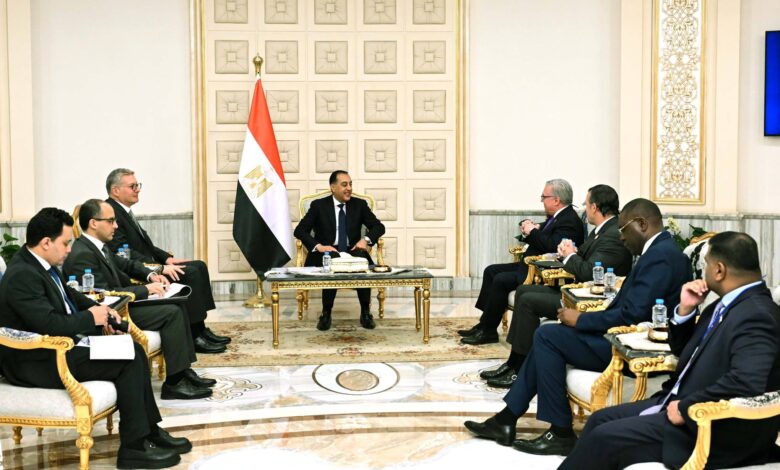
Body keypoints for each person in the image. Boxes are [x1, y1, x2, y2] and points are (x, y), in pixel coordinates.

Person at [464, 198, 691, 455]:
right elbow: (629, 308)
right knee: (547, 334)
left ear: (641, 224)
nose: (621, 237)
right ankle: (507, 420)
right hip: (623, 337)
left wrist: (581, 320)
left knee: (547, 336)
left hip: (630, 348)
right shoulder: (660, 251)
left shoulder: (661, 256)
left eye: (623, 230)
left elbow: (631, 315)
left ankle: (557, 431)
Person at [560, 232, 780, 469]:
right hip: (677, 403)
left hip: (711, 428)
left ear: (719, 270)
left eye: (705, 264)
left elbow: (746, 382)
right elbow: (684, 351)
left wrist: (686, 408)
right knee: (599, 419)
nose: (703, 271)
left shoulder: (757, 315)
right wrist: (685, 310)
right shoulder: (726, 303)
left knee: (605, 438)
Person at [0, 208, 189, 469]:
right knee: (129, 358)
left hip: (57, 349)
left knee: (132, 349)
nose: (69, 249)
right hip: (36, 360)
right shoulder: (22, 274)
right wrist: (92, 318)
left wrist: (103, 312)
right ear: (46, 243)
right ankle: (133, 448)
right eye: (65, 243)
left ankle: (150, 432)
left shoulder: (41, 263)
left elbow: (71, 297)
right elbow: (49, 324)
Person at [63, 198, 219, 399]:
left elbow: (127, 265)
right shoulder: (82, 254)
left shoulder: (98, 246)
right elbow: (104, 295)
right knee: (171, 313)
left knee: (178, 304)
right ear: (94, 223)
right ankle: (174, 383)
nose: (116, 226)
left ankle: (183, 372)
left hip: (124, 302)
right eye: (110, 221)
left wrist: (151, 275)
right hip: (115, 311)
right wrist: (145, 290)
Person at [481, 184, 632, 388]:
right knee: (523, 291)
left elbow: (589, 271)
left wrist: (570, 255)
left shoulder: (612, 234)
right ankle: (513, 362)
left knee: (527, 300)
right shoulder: (601, 230)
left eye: (586, 204)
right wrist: (569, 251)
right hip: (578, 291)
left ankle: (520, 369)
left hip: (590, 300)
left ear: (594, 207)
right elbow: (584, 257)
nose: (585, 209)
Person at [104, 168, 230, 349]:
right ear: (116, 190)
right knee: (190, 273)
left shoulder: (123, 210)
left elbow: (146, 246)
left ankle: (200, 327)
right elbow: (123, 252)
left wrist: (167, 259)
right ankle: (194, 335)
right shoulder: (111, 212)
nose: (137, 190)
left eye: (138, 185)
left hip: (148, 263)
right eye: (132, 186)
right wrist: (158, 267)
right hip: (138, 269)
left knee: (199, 266)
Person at [461, 179, 585, 345]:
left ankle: (488, 331)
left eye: (544, 197)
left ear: (556, 200)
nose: (541, 200)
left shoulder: (569, 220)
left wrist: (533, 231)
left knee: (501, 280)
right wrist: (533, 227)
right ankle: (485, 323)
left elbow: (553, 246)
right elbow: (548, 233)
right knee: (491, 270)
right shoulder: (560, 217)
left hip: (540, 272)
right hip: (529, 265)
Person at [293, 170, 386, 331]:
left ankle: (365, 313)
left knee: (362, 262)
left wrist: (365, 240)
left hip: (352, 249)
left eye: (350, 184)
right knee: (331, 260)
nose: (349, 188)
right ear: (333, 187)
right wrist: (319, 246)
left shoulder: (359, 205)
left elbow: (379, 227)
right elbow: (300, 231)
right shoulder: (318, 206)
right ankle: (326, 313)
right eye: (344, 185)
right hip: (327, 251)